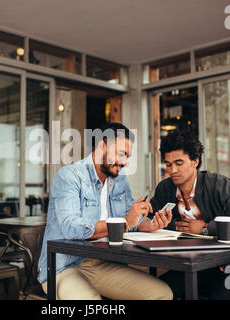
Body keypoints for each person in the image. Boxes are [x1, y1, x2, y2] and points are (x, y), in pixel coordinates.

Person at [37, 122, 173, 300]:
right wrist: (124, 222)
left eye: (127, 156)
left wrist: (150, 225)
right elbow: (72, 228)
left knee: (161, 294)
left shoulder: (119, 180)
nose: (124, 162)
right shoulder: (69, 176)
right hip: (63, 267)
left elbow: (133, 221)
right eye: (121, 154)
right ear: (102, 146)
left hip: (102, 263)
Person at [147, 130, 230, 300]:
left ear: (195, 161)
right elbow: (151, 219)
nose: (172, 170)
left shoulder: (221, 186)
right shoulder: (165, 189)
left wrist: (206, 228)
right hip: (191, 267)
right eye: (168, 164)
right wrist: (152, 220)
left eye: (179, 163)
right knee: (154, 293)